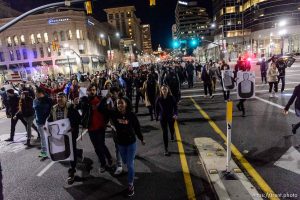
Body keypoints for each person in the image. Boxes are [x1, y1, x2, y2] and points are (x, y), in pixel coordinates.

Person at [102, 94, 145, 197]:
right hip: (120, 143)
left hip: (131, 143)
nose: (120, 105)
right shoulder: (114, 114)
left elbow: (137, 127)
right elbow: (102, 110)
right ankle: (130, 166)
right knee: (125, 161)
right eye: (118, 103)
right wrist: (106, 97)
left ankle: (130, 185)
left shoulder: (131, 115)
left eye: (121, 103)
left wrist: (141, 138)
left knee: (130, 164)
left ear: (126, 104)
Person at [48, 92, 81, 184]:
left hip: (70, 134)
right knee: (65, 149)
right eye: (58, 97)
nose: (59, 99)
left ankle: (72, 171)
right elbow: (50, 118)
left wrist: (73, 128)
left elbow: (78, 119)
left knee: (70, 151)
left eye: (61, 97)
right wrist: (47, 124)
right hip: (59, 135)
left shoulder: (71, 107)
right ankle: (78, 152)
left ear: (66, 98)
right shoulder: (53, 108)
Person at [78, 84, 113, 173]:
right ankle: (103, 163)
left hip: (101, 127)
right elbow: (80, 107)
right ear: (87, 91)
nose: (92, 91)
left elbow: (106, 111)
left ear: (96, 91)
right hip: (91, 128)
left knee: (101, 145)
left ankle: (108, 159)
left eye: (94, 90)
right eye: (91, 90)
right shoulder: (84, 101)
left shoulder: (101, 99)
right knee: (96, 147)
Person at [155, 85, 178, 156]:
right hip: (163, 117)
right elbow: (156, 108)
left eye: (165, 89)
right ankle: (166, 149)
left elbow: (175, 106)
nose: (164, 91)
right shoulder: (159, 98)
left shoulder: (171, 98)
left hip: (171, 116)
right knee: (165, 132)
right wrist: (157, 116)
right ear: (161, 91)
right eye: (163, 89)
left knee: (171, 129)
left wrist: (175, 114)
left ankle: (172, 135)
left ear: (168, 90)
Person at [33, 88, 53, 160]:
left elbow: (51, 111)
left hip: (47, 122)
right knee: (43, 138)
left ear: (41, 92)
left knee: (50, 137)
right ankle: (44, 152)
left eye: (36, 92)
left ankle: (51, 151)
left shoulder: (49, 100)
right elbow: (35, 110)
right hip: (39, 122)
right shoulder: (35, 100)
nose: (35, 93)